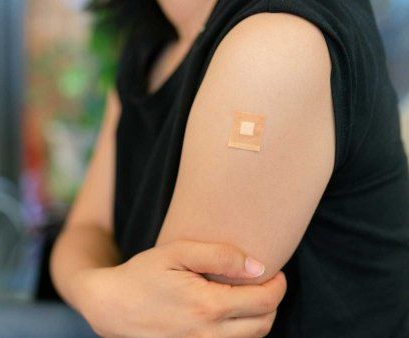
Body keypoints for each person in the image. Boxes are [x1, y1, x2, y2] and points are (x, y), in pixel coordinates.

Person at [50, 0, 409, 337]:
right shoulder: (155, 42)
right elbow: (87, 227)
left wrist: (104, 293)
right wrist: (95, 294)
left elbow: (174, 322)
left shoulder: (273, 47)